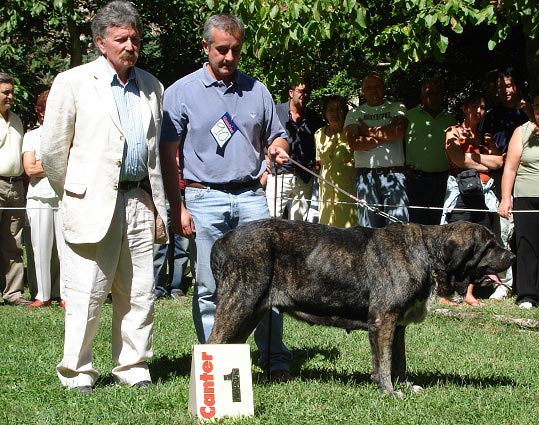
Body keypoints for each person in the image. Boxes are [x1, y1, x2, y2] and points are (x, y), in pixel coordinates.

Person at [41, 1, 167, 394]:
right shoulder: (72, 82)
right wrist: (76, 193)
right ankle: (77, 371)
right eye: (121, 39)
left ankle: (133, 365)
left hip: (138, 201)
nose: (131, 45)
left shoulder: (152, 86)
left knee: (140, 290)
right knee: (87, 291)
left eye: (135, 38)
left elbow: (154, 155)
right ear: (100, 42)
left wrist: (155, 204)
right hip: (91, 202)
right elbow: (52, 153)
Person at [160, 13, 292, 382]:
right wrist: (178, 206)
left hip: (251, 197)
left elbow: (277, 135)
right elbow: (168, 156)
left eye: (235, 50)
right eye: (222, 50)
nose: (229, 57)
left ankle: (275, 359)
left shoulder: (258, 90)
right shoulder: (181, 92)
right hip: (203, 199)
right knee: (207, 287)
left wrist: (278, 148)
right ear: (205, 47)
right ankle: (215, 365)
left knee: (269, 285)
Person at [441, 92, 503, 307]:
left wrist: (473, 159)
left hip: (484, 195)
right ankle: (446, 291)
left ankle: (469, 293)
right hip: (462, 193)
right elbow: (456, 158)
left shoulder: (486, 137)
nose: (479, 111)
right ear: (464, 108)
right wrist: (486, 163)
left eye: (483, 107)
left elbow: (499, 162)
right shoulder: (453, 132)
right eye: (474, 106)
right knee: (455, 242)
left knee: (479, 244)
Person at [482, 68, 530, 299]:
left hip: (529, 177)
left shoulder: (527, 112)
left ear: (517, 86)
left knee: (527, 232)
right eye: (501, 87)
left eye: (508, 85)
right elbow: (489, 148)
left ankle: (527, 283)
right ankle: (505, 284)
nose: (505, 91)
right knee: (503, 232)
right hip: (503, 177)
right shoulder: (491, 115)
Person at [344, 73, 409, 228]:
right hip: (366, 177)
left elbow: (398, 132)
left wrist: (366, 131)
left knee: (398, 231)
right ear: (363, 91)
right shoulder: (355, 113)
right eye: (369, 88)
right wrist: (385, 134)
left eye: (377, 87)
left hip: (394, 175)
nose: (374, 91)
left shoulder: (397, 107)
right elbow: (354, 143)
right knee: (367, 231)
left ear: (384, 88)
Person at [22, 89, 66, 308]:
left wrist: (44, 166)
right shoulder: (31, 136)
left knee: (66, 248)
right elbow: (30, 168)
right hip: (39, 197)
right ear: (40, 112)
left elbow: (73, 164)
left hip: (63, 195)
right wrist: (57, 166)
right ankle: (43, 294)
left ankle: (66, 294)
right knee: (40, 247)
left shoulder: (67, 136)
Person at [498, 88, 539, 309]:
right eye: (538, 107)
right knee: (526, 245)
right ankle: (527, 295)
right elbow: (510, 168)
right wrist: (506, 198)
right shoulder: (521, 132)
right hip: (526, 196)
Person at [265, 78, 324, 220]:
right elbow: (260, 135)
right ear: (291, 93)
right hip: (280, 174)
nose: (304, 95)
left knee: (299, 227)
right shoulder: (276, 112)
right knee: (272, 221)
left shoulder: (314, 118)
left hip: (304, 178)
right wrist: (264, 158)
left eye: (307, 92)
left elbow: (321, 142)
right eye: (301, 92)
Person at [405, 78, 457, 225]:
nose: (433, 97)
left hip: (442, 179)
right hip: (416, 178)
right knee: (416, 224)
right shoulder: (409, 117)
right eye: (429, 93)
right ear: (422, 95)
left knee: (436, 223)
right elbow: (397, 143)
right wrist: (402, 165)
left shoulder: (449, 119)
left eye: (437, 93)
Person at [0, 72, 30, 306]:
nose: (10, 96)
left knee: (13, 241)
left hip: (15, 186)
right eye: (5, 92)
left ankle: (13, 293)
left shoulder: (17, 120)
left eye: (11, 92)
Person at [315, 95, 358, 227]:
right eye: (331, 109)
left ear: (344, 111)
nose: (335, 113)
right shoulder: (318, 134)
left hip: (348, 194)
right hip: (326, 197)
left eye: (339, 109)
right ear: (325, 113)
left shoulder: (351, 133)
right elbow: (319, 162)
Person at [154, 161, 191, 301]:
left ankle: (177, 288)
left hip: (186, 194)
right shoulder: (164, 140)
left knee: (183, 247)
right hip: (162, 194)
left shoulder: (188, 142)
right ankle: (157, 288)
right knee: (159, 245)